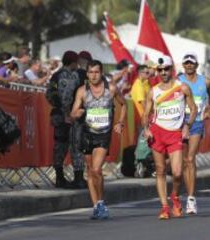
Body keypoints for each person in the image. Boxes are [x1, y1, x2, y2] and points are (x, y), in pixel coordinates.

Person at [142, 55, 197, 219]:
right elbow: (145, 114)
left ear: (172, 69)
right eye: (160, 70)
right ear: (157, 71)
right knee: (160, 170)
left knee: (178, 173)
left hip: (175, 134)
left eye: (166, 69)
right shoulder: (153, 91)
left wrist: (187, 125)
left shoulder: (183, 88)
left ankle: (175, 195)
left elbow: (193, 109)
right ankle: (164, 207)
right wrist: (146, 128)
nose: (163, 72)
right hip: (157, 133)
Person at [70, 59, 127, 219]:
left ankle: (101, 203)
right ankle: (96, 205)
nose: (94, 76)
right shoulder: (82, 91)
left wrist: (120, 122)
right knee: (90, 171)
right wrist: (76, 114)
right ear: (87, 74)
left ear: (101, 73)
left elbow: (123, 105)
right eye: (91, 72)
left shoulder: (111, 90)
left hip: (104, 133)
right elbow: (73, 112)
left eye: (97, 72)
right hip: (87, 133)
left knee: (96, 169)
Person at [178, 52, 210, 214]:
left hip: (197, 123)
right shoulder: (178, 81)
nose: (189, 65)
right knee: (184, 162)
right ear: (183, 65)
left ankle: (191, 198)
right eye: (186, 63)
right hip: (180, 123)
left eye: (191, 63)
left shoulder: (205, 81)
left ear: (196, 65)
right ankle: (185, 193)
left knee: (190, 158)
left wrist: (209, 109)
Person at [46, 50, 86, 189]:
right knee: (77, 146)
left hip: (60, 117)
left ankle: (59, 178)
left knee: (59, 147)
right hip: (76, 117)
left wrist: (61, 110)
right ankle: (79, 178)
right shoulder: (79, 75)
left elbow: (50, 94)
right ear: (74, 62)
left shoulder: (55, 76)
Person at [130, 64, 153, 177]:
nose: (149, 74)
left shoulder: (146, 83)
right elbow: (143, 102)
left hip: (147, 118)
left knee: (148, 144)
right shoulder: (138, 85)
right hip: (142, 118)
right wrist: (149, 115)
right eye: (146, 73)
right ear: (140, 73)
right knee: (143, 144)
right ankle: (139, 166)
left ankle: (145, 166)